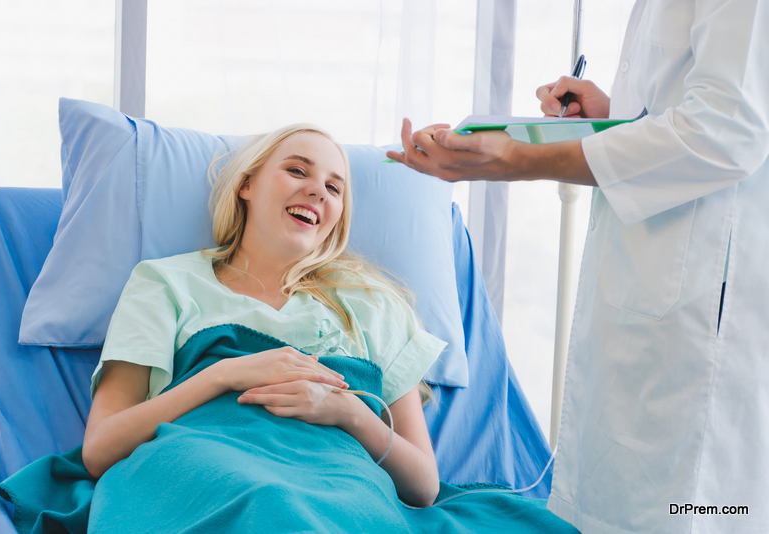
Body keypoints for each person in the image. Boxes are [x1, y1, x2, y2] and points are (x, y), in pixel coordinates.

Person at [387, 1, 769, 533]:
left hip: (703, 315)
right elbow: (699, 106)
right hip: (654, 293)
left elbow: (727, 131)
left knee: (700, 511)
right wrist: (615, 117)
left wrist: (520, 160)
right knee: (624, 503)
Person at [82, 124, 442, 509]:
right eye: (298, 171)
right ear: (246, 185)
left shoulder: (373, 304)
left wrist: (350, 413)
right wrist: (223, 375)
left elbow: (424, 486)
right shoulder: (164, 283)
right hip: (203, 484)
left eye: (334, 188)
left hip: (338, 496)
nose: (318, 190)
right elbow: (101, 449)